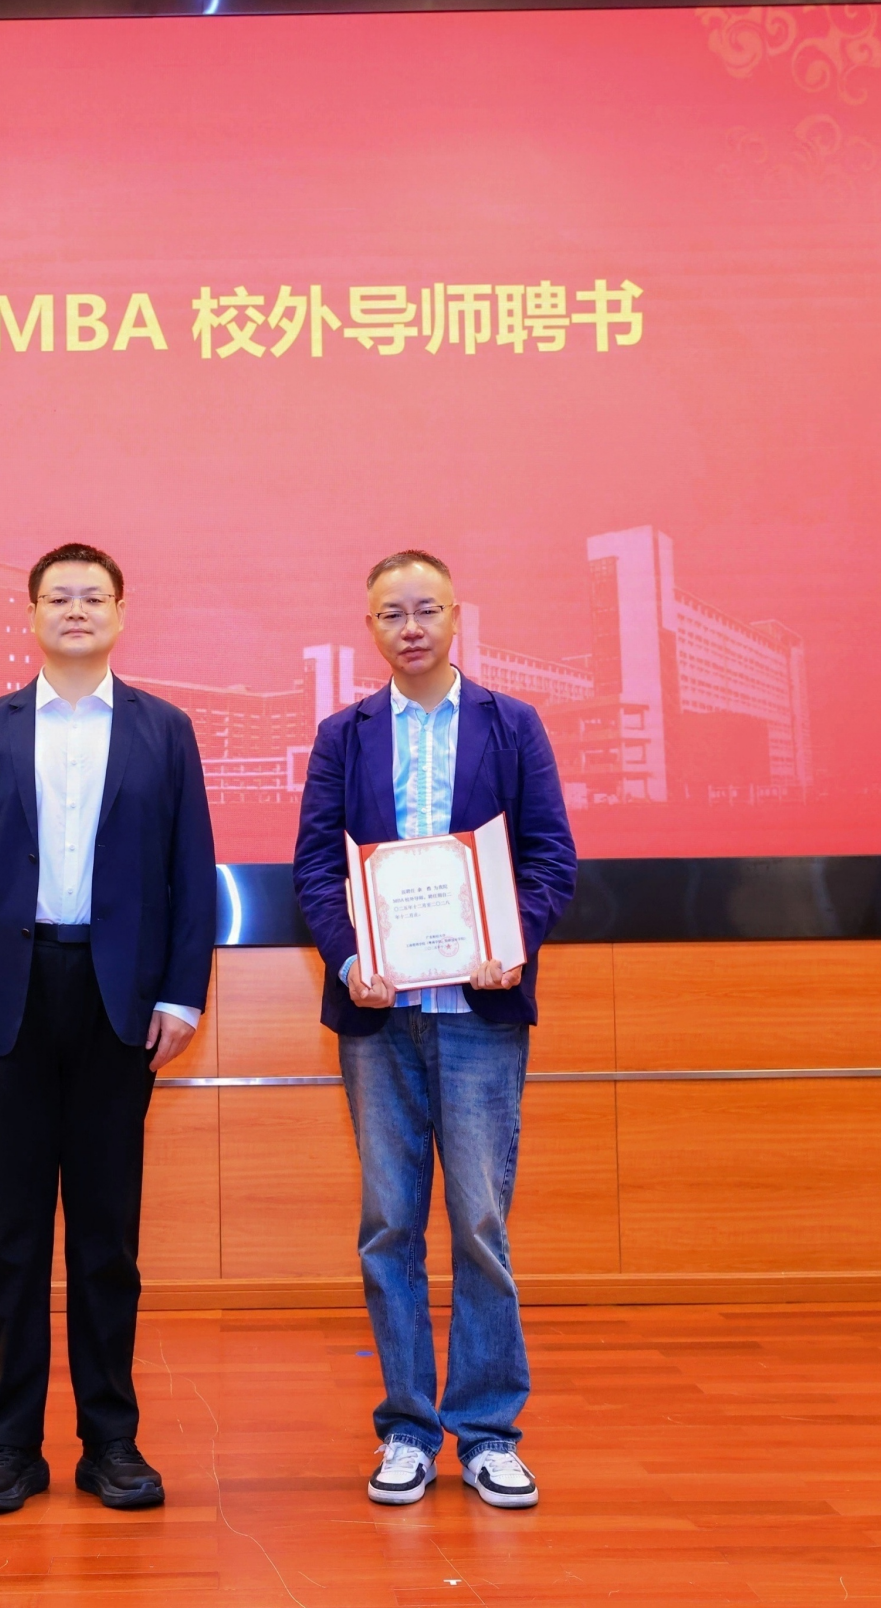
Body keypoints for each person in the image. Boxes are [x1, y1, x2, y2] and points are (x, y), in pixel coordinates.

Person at [0, 541, 217, 1516]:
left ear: (122, 614)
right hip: (5, 1000)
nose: (77, 609)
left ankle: (111, 1441)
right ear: (32, 615)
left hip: (116, 1001)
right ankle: (8, 1447)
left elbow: (191, 873)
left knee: (105, 1237)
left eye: (95, 596)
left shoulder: (164, 730)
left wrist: (181, 996)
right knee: (11, 1238)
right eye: (59, 596)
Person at [292, 549, 578, 1510]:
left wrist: (510, 940)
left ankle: (489, 1432)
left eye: (426, 609)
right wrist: (349, 960)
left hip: (479, 1012)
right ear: (370, 627)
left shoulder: (512, 724)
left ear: (457, 617)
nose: (410, 627)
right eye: (392, 613)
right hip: (379, 1017)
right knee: (390, 1227)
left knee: (482, 1225)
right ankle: (409, 1429)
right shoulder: (343, 735)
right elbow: (314, 870)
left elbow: (550, 857)